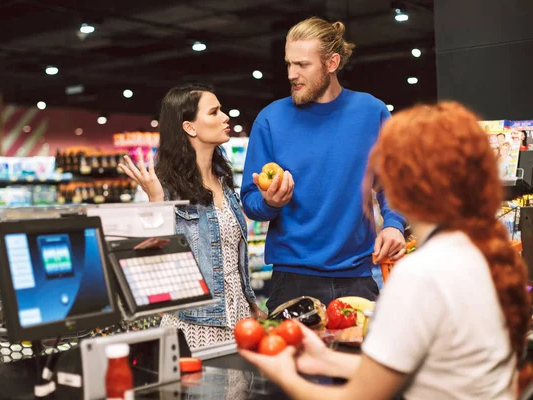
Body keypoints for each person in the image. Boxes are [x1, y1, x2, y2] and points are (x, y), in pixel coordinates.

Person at [240, 101, 531, 399]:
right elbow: (425, 371)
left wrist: (282, 374)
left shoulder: (420, 274)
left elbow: (356, 397)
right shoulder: (478, 254)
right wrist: (325, 358)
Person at [240, 17, 406, 312]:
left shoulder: (371, 112)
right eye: (289, 64)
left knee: (360, 359)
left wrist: (394, 226)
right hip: (291, 280)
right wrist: (270, 203)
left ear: (332, 63)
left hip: (357, 277)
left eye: (302, 65)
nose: (292, 74)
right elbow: (251, 201)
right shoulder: (270, 119)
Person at [118, 83, 266, 349]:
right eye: (214, 112)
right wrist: (155, 201)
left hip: (241, 322)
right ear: (190, 127)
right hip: (195, 327)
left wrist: (249, 301)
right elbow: (147, 265)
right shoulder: (160, 186)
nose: (225, 117)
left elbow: (232, 258)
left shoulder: (224, 180)